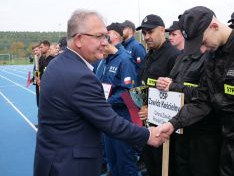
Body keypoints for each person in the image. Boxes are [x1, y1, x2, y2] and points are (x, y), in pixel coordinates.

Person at [33, 9, 169, 176]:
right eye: (99, 36)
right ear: (79, 39)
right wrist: (148, 135)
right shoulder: (79, 75)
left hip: (55, 161)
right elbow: (110, 122)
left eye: (106, 36)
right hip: (70, 165)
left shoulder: (59, 64)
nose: (106, 42)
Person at [158, 6, 234, 176]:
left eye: (203, 42)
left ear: (214, 26)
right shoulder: (212, 56)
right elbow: (204, 99)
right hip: (225, 143)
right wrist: (173, 123)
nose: (202, 49)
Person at [156, 19, 221, 176]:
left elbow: (205, 95)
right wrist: (163, 82)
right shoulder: (182, 57)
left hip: (203, 133)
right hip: (181, 128)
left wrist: (172, 86)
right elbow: (172, 80)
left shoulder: (211, 58)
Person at [136, 14, 180, 176]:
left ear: (162, 30)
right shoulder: (149, 55)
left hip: (165, 130)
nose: (146, 37)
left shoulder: (174, 56)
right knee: (151, 167)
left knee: (165, 169)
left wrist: (152, 110)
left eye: (150, 32)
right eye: (144, 33)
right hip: (148, 126)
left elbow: (176, 97)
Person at [95, 22, 140, 176]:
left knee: (125, 163)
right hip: (108, 118)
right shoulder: (103, 61)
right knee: (112, 163)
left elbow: (128, 93)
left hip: (122, 119)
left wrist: (104, 103)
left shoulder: (125, 60)